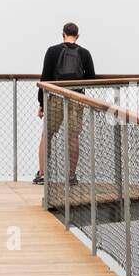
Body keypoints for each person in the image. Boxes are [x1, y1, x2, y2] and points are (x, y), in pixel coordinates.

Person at [33, 22, 95, 185]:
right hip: (76, 99)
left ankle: (43, 174)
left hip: (55, 97)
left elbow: (44, 78)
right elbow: (91, 79)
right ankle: (71, 176)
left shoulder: (52, 51)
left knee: (47, 134)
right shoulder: (85, 53)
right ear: (78, 36)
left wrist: (41, 103)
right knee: (73, 136)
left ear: (63, 34)